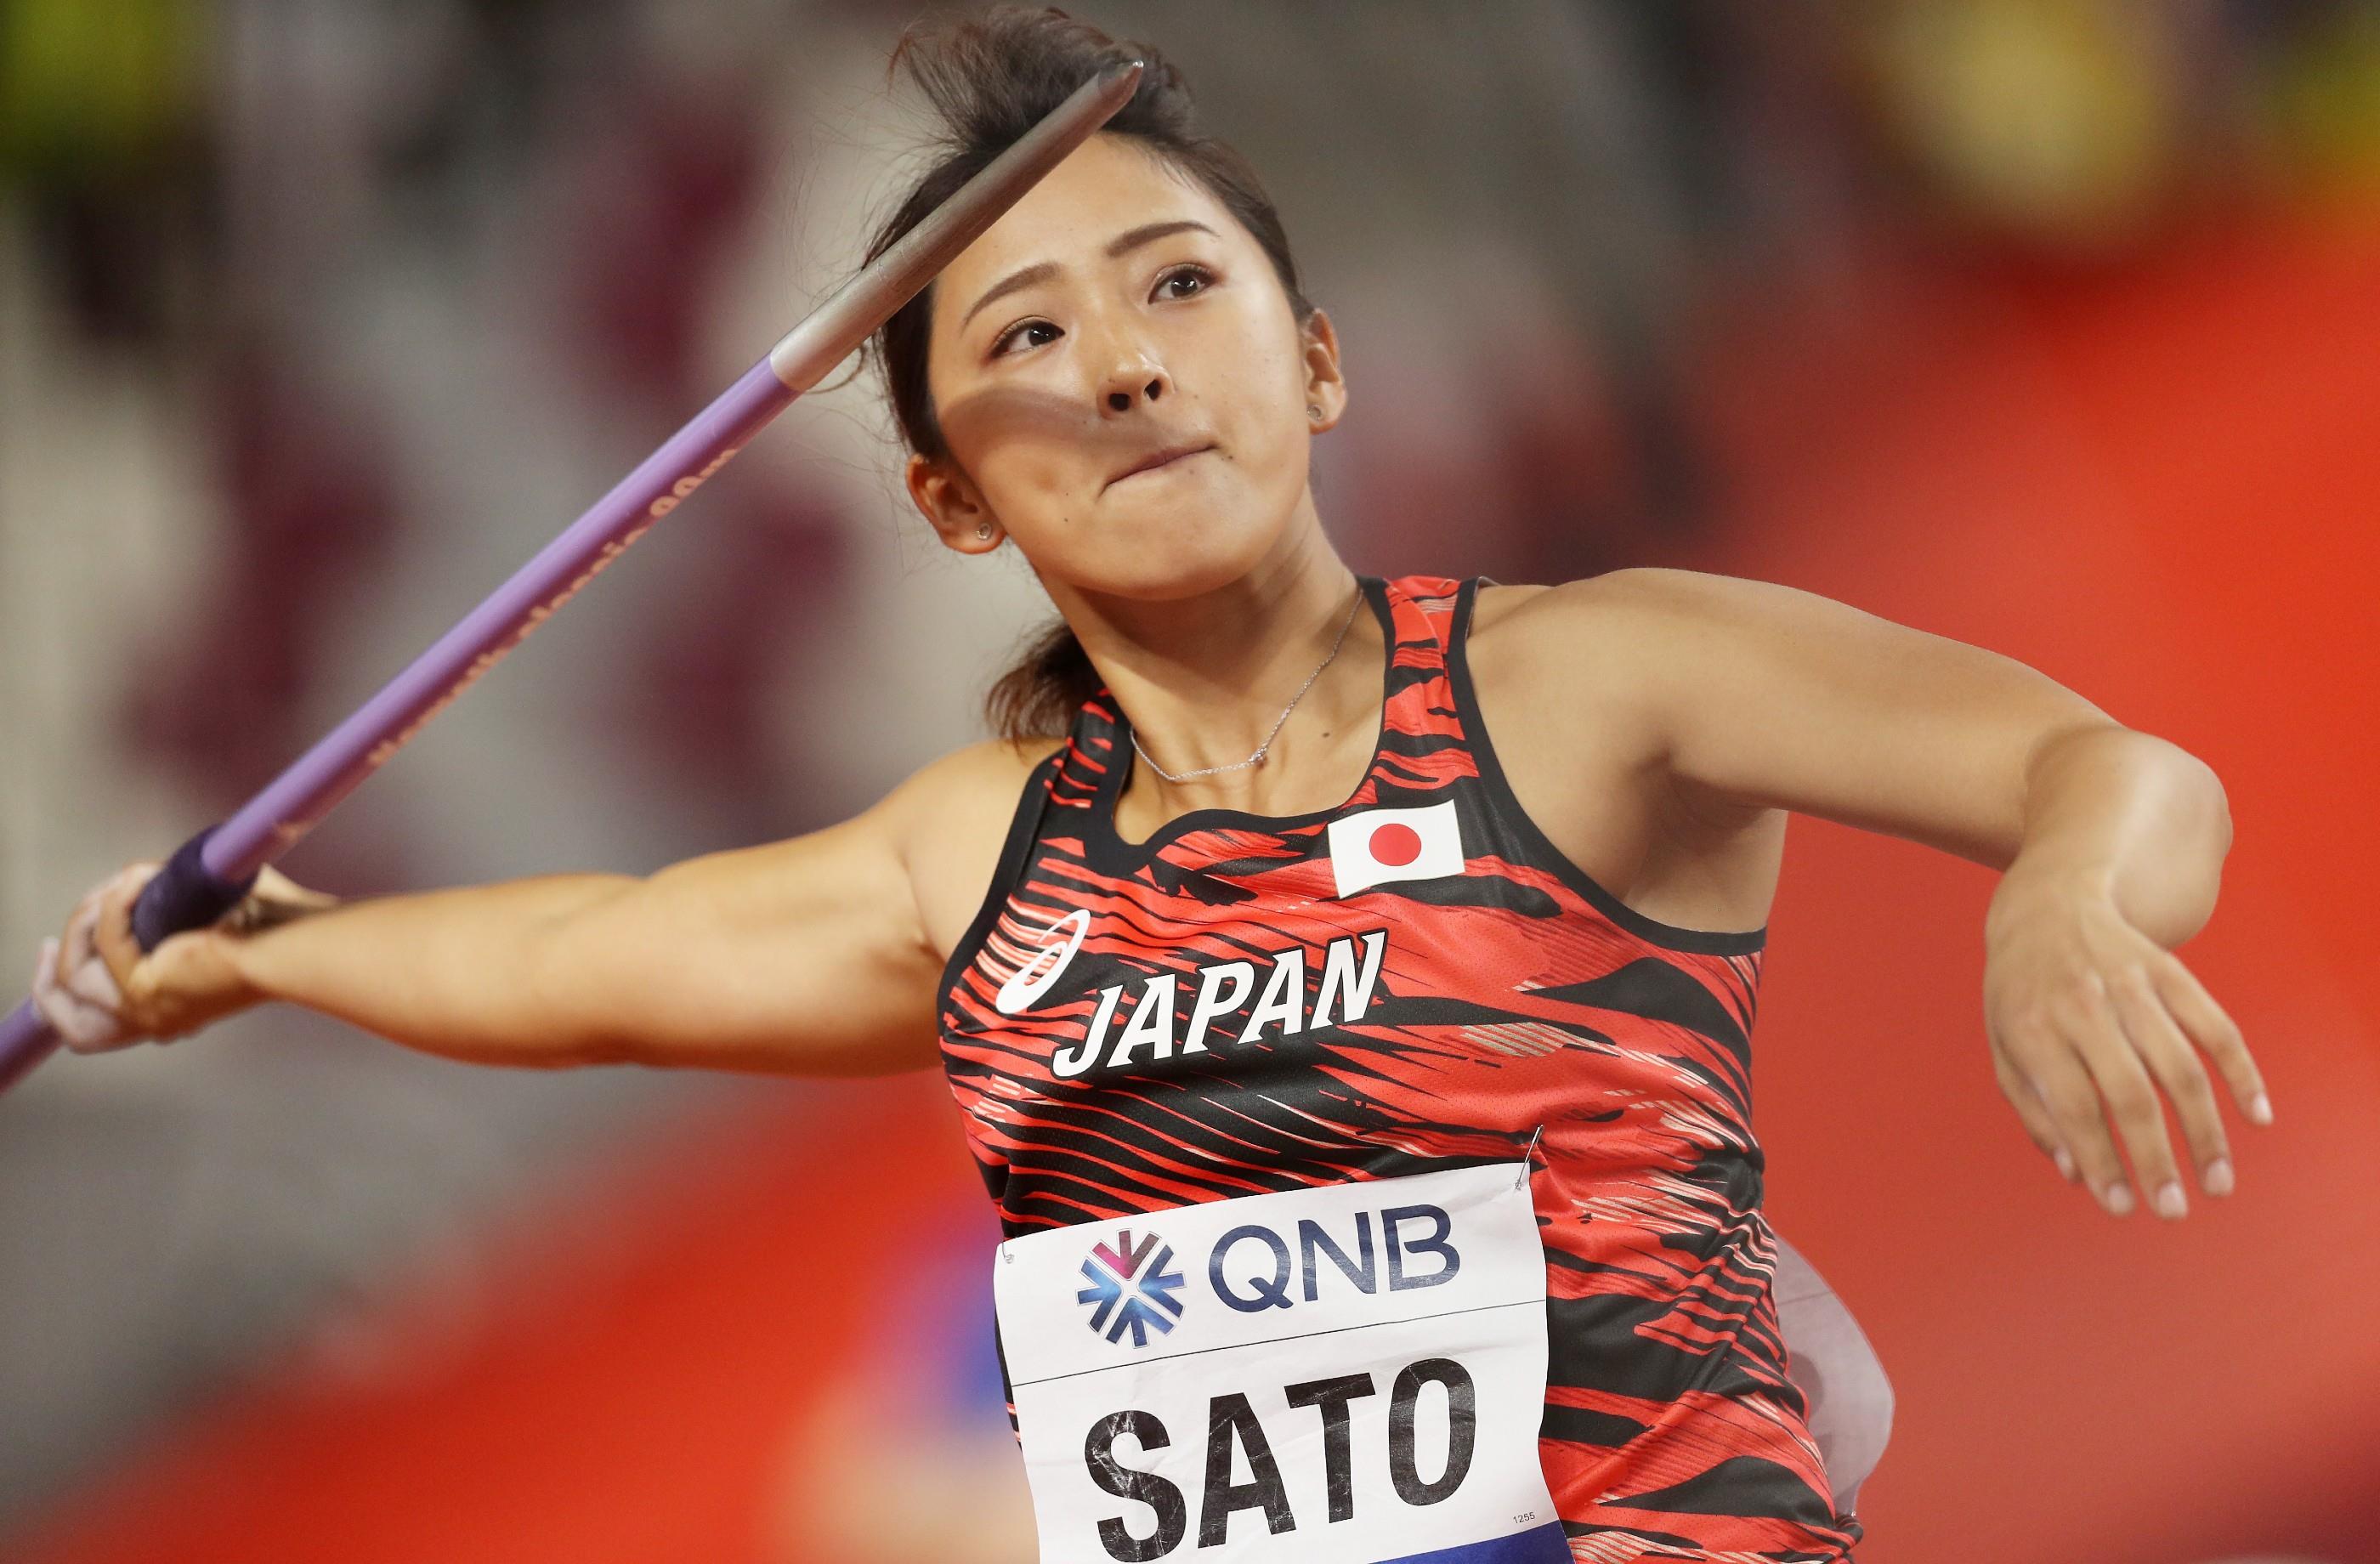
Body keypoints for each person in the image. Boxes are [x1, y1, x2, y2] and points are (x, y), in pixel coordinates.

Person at [31, 8, 2266, 1559]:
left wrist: (2069, 895)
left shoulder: (1598, 683)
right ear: (951, 501)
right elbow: (604, 952)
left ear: (1308, 362)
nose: (1117, 364)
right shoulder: (977, 855)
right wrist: (284, 958)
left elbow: (2100, 759)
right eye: (1022, 341)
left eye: (1176, 287)